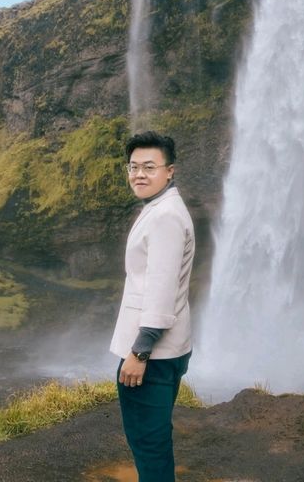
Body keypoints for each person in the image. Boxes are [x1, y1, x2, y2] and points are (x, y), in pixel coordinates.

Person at [110, 131, 195, 482]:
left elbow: (160, 289)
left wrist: (139, 352)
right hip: (166, 349)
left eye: (149, 166)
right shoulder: (161, 209)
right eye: (133, 167)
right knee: (154, 439)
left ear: (169, 171)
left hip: (151, 355)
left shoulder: (165, 217)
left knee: (149, 442)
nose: (139, 174)